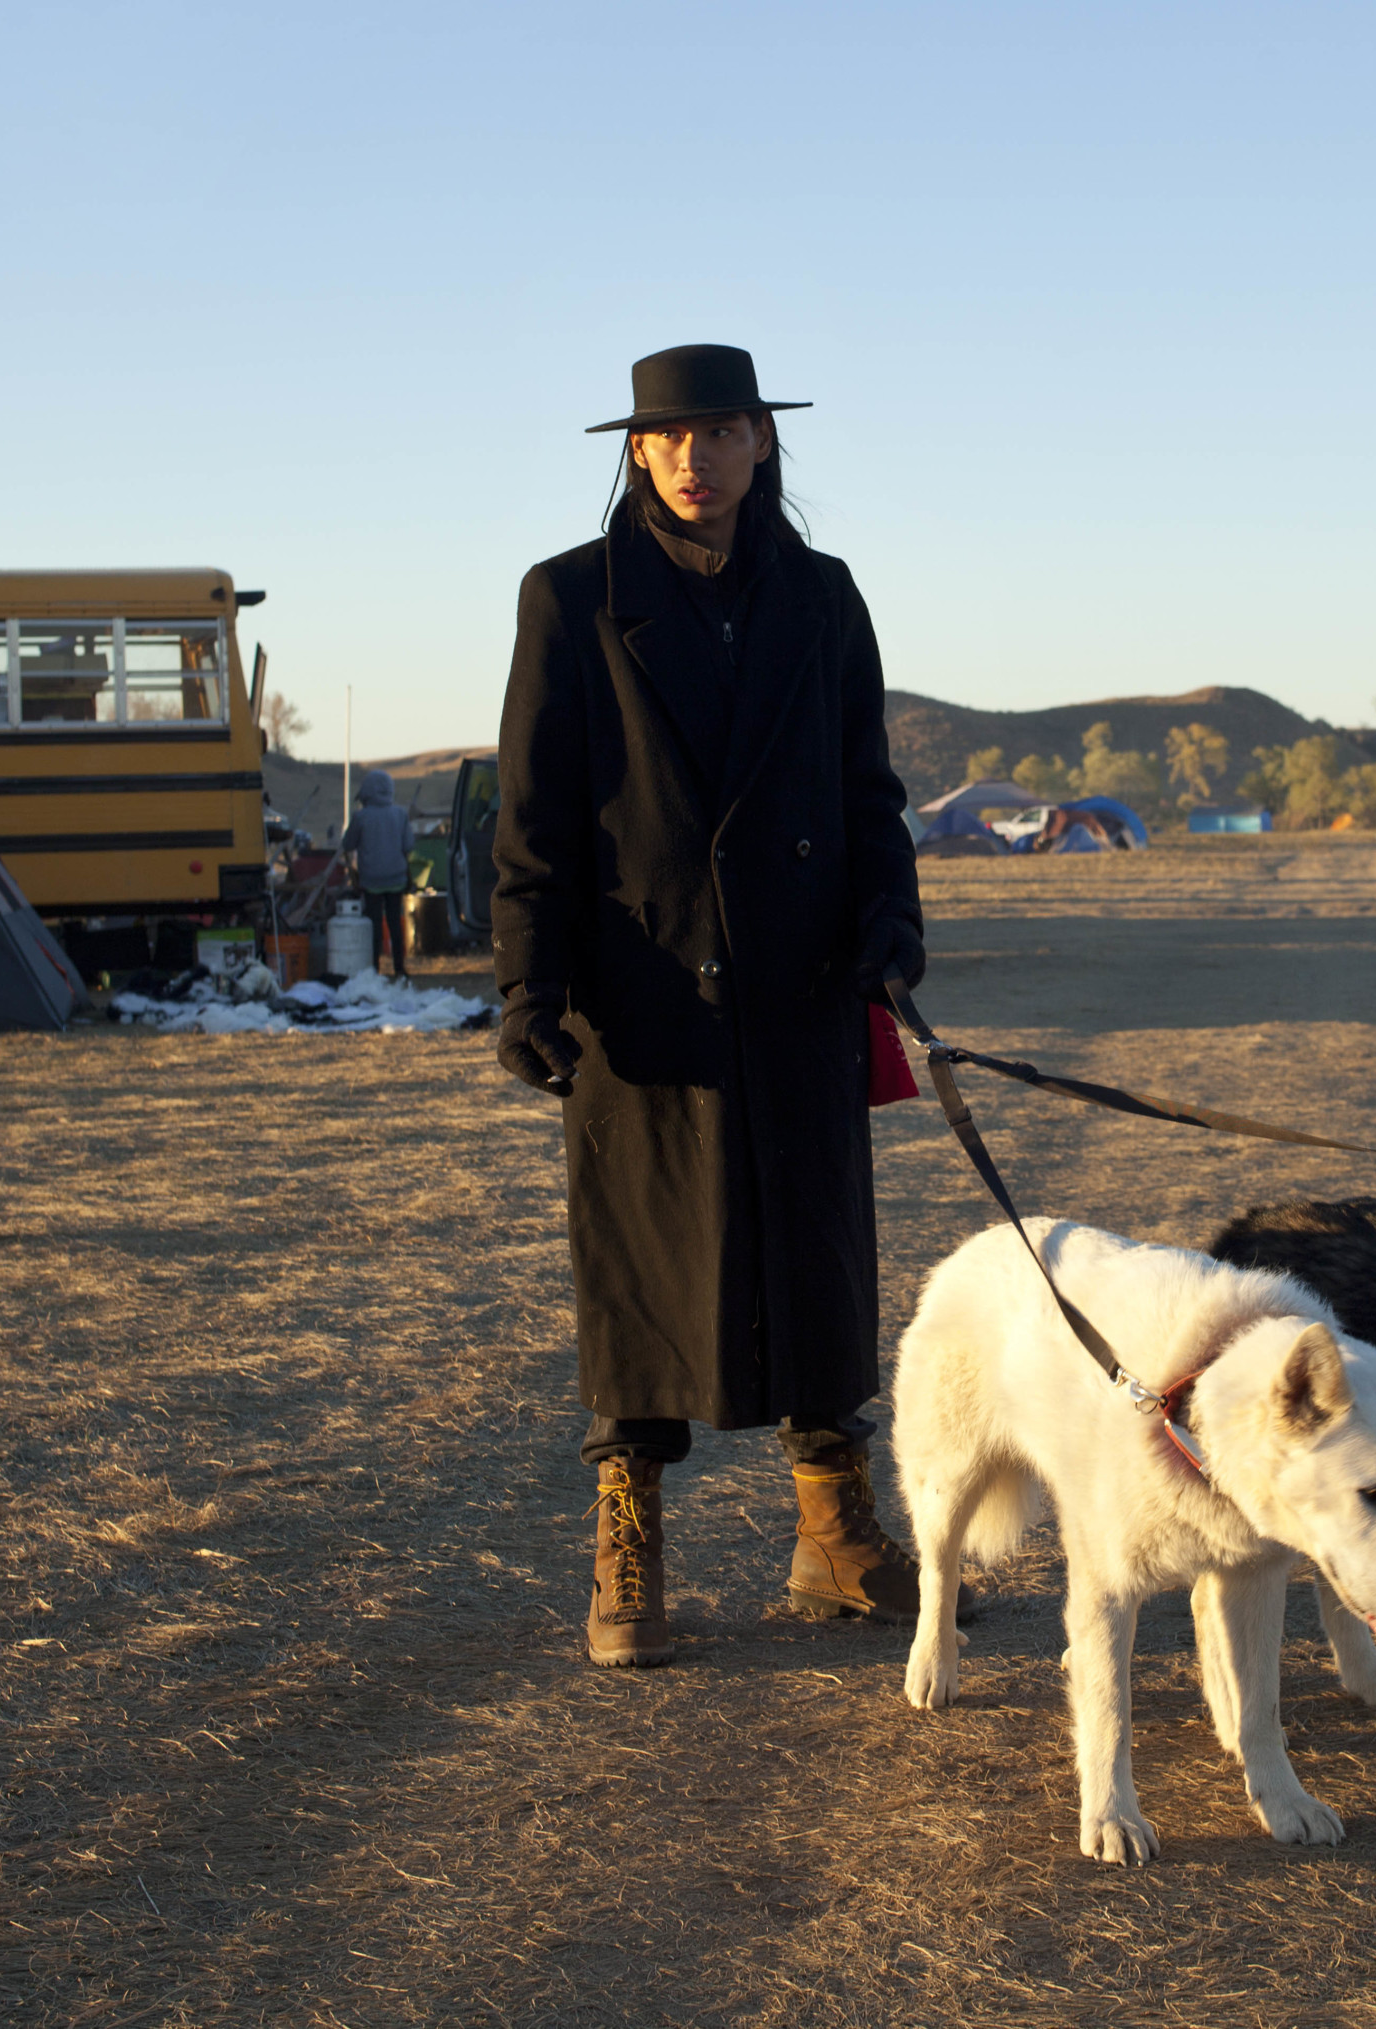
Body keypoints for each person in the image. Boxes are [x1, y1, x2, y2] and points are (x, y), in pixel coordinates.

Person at [492, 344, 928, 1668]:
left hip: (797, 978)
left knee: (814, 1254)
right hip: (645, 991)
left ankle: (836, 1535)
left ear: (760, 446)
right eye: (669, 436)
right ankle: (629, 1542)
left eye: (721, 431)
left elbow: (868, 792)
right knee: (639, 1264)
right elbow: (534, 808)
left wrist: (890, 922)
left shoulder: (822, 596)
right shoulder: (572, 597)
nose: (695, 456)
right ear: (636, 452)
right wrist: (527, 980)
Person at [342, 768, 415, 981]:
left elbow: (347, 844)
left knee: (374, 925)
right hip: (396, 879)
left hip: (370, 880)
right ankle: (399, 969)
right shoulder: (400, 814)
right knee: (394, 923)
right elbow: (408, 845)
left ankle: (374, 969)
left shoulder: (361, 816)